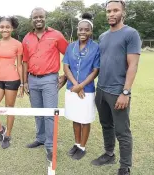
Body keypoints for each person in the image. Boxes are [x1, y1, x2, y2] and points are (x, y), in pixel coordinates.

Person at [90, 1, 141, 175]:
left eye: (115, 10)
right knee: (106, 125)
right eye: (108, 11)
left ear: (123, 12)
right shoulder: (103, 36)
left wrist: (125, 92)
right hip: (101, 90)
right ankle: (109, 154)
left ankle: (125, 167)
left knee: (122, 131)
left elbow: (133, 65)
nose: (111, 14)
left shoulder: (131, 34)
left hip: (118, 91)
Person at [22, 7, 68, 162]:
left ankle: (50, 145)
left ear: (45, 17)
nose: (38, 19)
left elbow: (68, 55)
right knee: (38, 113)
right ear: (32, 19)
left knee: (49, 114)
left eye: (41, 16)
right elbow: (25, 61)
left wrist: (66, 76)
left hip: (50, 79)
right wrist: (24, 81)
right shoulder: (27, 38)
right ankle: (40, 138)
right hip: (32, 80)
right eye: (35, 17)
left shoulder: (56, 35)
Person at [63, 13, 100, 160]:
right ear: (77, 30)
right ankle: (77, 143)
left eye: (86, 30)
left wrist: (82, 86)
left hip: (87, 90)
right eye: (80, 29)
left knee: (84, 119)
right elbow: (66, 67)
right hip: (72, 89)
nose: (83, 32)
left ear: (91, 31)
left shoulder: (96, 47)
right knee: (75, 118)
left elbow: (95, 70)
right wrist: (76, 85)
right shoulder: (70, 46)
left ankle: (83, 147)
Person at [0, 16, 24, 149]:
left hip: (12, 80)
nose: (5, 29)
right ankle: (0, 129)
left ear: (12, 28)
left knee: (9, 107)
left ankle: (7, 135)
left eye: (7, 27)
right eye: (2, 27)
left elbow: (19, 65)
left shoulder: (17, 44)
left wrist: (21, 83)